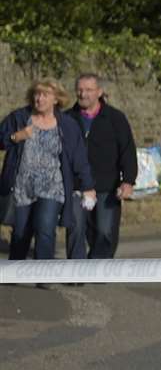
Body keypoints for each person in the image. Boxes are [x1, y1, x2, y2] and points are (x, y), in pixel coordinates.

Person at [2, 79, 95, 261]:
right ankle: (16, 271)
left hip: (52, 187)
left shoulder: (67, 125)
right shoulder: (19, 118)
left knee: (45, 227)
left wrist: (88, 186)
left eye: (45, 95)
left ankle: (44, 274)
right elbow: (1, 139)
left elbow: (79, 158)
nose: (40, 99)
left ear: (56, 99)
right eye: (37, 94)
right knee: (21, 232)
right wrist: (16, 136)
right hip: (23, 187)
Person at [65, 73, 138, 260]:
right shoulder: (66, 119)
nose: (83, 94)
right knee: (76, 229)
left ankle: (98, 266)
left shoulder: (115, 118)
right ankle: (76, 270)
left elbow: (128, 151)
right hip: (77, 185)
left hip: (107, 185)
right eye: (80, 90)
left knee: (105, 231)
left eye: (89, 90)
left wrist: (128, 181)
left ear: (99, 92)